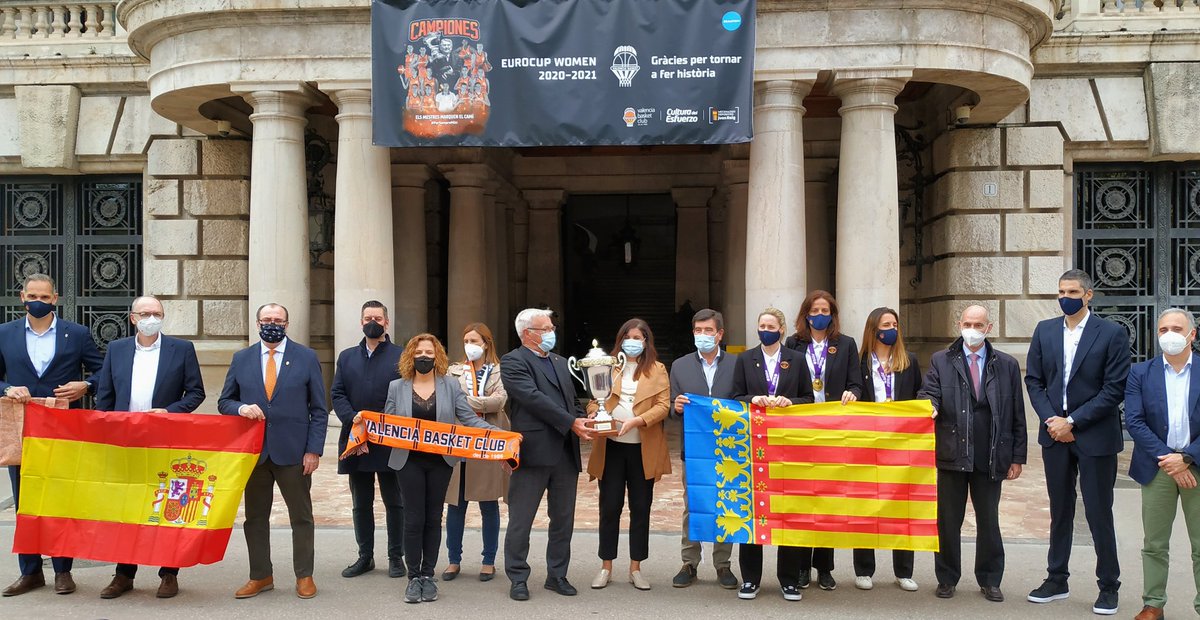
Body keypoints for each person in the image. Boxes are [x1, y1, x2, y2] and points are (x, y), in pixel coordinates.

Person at [1024, 269, 1130, 615]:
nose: (1064, 296)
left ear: (1088, 295)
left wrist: (1073, 421)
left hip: (1094, 434)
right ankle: (1056, 578)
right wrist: (1053, 421)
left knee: (1099, 512)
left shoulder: (1112, 333)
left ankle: (1108, 585)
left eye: (1072, 290)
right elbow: (1035, 380)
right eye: (1060, 290)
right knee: (1060, 510)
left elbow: (1114, 389)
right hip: (1055, 435)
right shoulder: (1045, 330)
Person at [93, 295, 206, 599]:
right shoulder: (117, 350)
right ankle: (124, 574)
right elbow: (104, 396)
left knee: (169, 505)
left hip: (166, 441)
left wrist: (170, 412)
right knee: (127, 508)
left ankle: (169, 573)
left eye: (156, 313)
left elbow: (196, 393)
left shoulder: (181, 349)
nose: (151, 318)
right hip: (125, 443)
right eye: (145, 313)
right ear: (133, 318)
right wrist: (104, 435)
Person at [0, 273, 104, 597]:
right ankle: (30, 572)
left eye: (45, 297)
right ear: (21, 296)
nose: (38, 302)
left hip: (64, 430)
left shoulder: (77, 334)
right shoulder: (5, 334)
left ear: (55, 299)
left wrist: (85, 384)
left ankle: (63, 571)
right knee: (25, 503)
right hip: (22, 429)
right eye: (33, 296)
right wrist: (6, 388)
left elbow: (104, 371)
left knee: (61, 500)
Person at [380, 333, 504, 604]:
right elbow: (387, 422)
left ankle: (428, 575)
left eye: (429, 352)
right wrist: (362, 424)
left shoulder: (450, 386)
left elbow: (469, 419)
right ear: (410, 356)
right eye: (419, 352)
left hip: (441, 462)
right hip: (407, 461)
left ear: (438, 357)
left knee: (434, 518)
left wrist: (499, 434)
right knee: (414, 519)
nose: (424, 357)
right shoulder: (396, 387)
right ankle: (413, 577)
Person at [218, 303, 328, 600]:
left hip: (294, 452)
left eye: (278, 320)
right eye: (267, 319)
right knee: (255, 518)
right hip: (254, 453)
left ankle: (304, 575)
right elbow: (224, 401)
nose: (272, 324)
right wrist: (240, 407)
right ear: (257, 323)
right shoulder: (242, 358)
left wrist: (313, 450)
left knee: (301, 517)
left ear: (287, 324)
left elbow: (318, 409)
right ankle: (260, 575)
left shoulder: (305, 357)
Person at [918, 305, 1026, 602]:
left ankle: (990, 579)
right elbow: (929, 393)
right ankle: (947, 578)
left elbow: (1017, 412)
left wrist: (1017, 456)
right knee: (948, 520)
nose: (972, 328)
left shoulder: (1006, 364)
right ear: (959, 324)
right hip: (953, 452)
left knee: (988, 519)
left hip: (991, 453)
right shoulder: (941, 360)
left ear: (988, 327)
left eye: (978, 324)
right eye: (967, 323)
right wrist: (929, 405)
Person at [501, 308, 592, 601]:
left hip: (565, 452)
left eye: (552, 327)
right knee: (521, 517)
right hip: (533, 450)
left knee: (563, 518)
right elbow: (532, 398)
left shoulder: (560, 362)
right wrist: (571, 422)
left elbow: (571, 401)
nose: (552, 332)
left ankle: (557, 574)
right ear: (528, 333)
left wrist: (584, 419)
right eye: (546, 328)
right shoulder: (513, 361)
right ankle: (517, 575)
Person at [1123, 308, 1200, 620]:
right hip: (1157, 468)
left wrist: (1187, 458)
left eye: (1177, 328)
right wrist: (1171, 460)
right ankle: (1153, 603)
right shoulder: (1141, 373)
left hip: (1196, 466)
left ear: (1191, 334)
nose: (1169, 334)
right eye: (1163, 329)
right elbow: (1135, 421)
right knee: (1154, 543)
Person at [784, 290, 863, 591]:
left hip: (834, 430)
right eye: (815, 309)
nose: (820, 314)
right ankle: (802, 566)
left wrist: (853, 393)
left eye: (825, 309)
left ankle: (824, 567)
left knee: (828, 500)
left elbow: (856, 383)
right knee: (804, 499)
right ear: (805, 313)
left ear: (833, 314)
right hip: (801, 430)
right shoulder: (793, 344)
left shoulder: (846, 345)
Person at [732, 307, 811, 602]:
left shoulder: (797, 360)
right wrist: (754, 399)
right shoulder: (745, 359)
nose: (765, 329)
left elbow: (808, 398)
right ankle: (750, 579)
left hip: (787, 446)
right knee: (753, 511)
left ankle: (789, 580)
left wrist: (789, 401)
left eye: (770, 325)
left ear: (781, 329)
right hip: (753, 444)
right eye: (761, 325)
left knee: (786, 511)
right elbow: (734, 396)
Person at [586, 318, 670, 591]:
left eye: (638, 337)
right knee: (609, 507)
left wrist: (637, 421)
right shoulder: (608, 367)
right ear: (620, 340)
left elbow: (663, 406)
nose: (632, 341)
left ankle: (636, 567)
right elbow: (593, 400)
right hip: (611, 448)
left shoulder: (657, 370)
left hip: (642, 450)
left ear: (646, 341)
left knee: (641, 508)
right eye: (627, 337)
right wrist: (595, 416)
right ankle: (606, 565)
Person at [330, 301, 405, 579]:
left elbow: (405, 396)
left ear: (386, 322)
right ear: (361, 322)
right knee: (361, 502)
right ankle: (365, 556)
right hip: (355, 440)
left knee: (394, 501)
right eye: (367, 317)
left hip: (389, 440)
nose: (372, 321)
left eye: (377, 317)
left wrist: (382, 426)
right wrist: (355, 421)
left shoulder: (401, 356)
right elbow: (337, 393)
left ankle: (396, 556)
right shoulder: (347, 356)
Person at [669, 308, 739, 590]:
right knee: (693, 505)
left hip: (730, 449)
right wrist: (675, 408)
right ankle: (689, 562)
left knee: (727, 503)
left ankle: (723, 564)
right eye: (697, 331)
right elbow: (673, 406)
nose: (702, 336)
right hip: (695, 449)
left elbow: (743, 401)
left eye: (708, 331)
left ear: (719, 334)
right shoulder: (680, 366)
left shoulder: (738, 364)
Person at [853, 306, 921, 593]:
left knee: (901, 505)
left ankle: (903, 571)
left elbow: (919, 396)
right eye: (885, 324)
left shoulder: (909, 361)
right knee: (866, 504)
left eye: (894, 323)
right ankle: (864, 569)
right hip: (869, 443)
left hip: (901, 444)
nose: (891, 328)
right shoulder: (860, 362)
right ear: (873, 329)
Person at [442, 322, 508, 583]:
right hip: (458, 441)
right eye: (466, 340)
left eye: (475, 340)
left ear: (486, 343)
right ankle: (453, 559)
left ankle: (489, 560)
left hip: (487, 440)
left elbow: (500, 400)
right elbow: (447, 400)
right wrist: (480, 402)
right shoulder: (452, 371)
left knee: (488, 504)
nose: (470, 345)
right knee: (455, 505)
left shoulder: (499, 371)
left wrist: (465, 401)